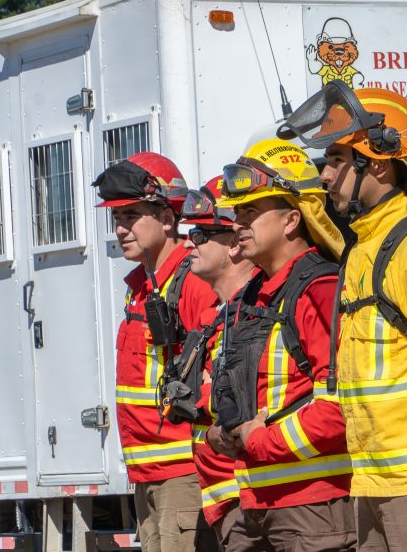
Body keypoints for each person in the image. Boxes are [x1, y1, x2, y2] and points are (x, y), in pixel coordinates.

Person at [283, 82, 407, 550]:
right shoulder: (363, 249)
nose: (324, 176)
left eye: (337, 161)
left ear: (379, 164)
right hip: (373, 483)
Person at [208, 139, 355, 551]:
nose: (237, 223)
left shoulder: (319, 288)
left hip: (314, 508)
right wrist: (221, 433)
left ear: (292, 220)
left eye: (250, 211)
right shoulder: (250, 296)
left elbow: (339, 409)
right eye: (236, 211)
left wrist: (258, 441)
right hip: (255, 501)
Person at [92, 152, 219, 552]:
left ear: (167, 218)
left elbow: (216, 373)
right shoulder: (143, 288)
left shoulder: (193, 283)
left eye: (132, 217)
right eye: (116, 218)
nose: (120, 228)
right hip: (147, 472)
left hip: (183, 472)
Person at [179, 176, 256, 550]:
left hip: (251, 501)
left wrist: (206, 394)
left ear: (235, 245)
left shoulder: (253, 315)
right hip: (228, 502)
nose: (191, 242)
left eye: (203, 234)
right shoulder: (222, 314)